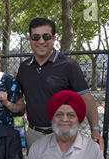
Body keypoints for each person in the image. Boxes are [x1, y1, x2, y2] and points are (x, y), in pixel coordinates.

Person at [16, 17, 103, 150]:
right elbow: (18, 101)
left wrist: (95, 130)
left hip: (62, 134)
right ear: (29, 39)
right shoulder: (24, 67)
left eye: (46, 36)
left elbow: (87, 99)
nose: (41, 41)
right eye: (35, 37)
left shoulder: (69, 66)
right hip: (33, 135)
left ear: (54, 38)